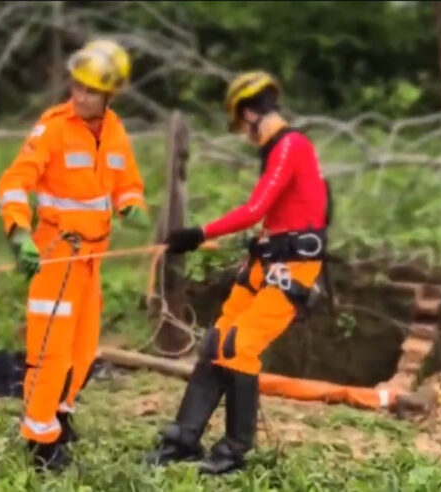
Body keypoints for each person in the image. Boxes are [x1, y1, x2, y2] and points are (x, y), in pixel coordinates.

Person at [145, 70, 332, 475]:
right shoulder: (279, 151)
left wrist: (197, 233)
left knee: (241, 346)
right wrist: (255, 253)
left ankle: (234, 450)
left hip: (292, 267)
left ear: (248, 112)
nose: (245, 135)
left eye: (241, 126)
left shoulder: (290, 145)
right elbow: (278, 217)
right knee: (218, 341)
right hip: (265, 262)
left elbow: (255, 209)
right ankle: (184, 438)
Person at [0, 39, 150, 471]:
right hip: (56, 256)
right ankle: (39, 439)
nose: (79, 96)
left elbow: (127, 182)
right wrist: (18, 231)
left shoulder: (115, 130)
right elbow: (13, 181)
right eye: (76, 86)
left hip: (91, 261)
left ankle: (60, 415)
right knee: (50, 351)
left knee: (83, 350)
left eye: (90, 90)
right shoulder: (52, 128)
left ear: (110, 95)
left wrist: (132, 204)